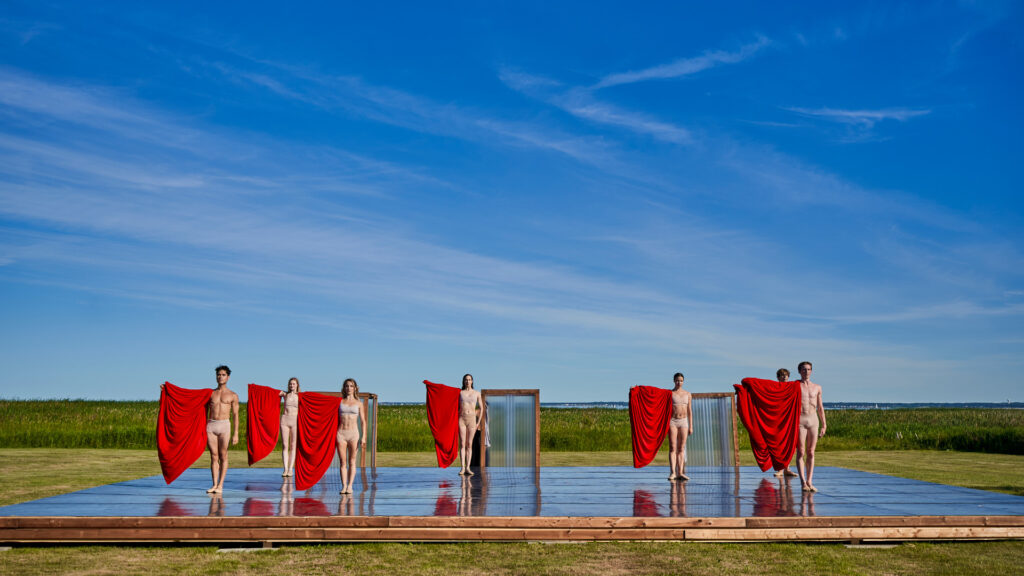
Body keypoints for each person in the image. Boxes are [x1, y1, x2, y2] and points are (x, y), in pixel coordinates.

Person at [205, 365, 239, 493]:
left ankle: (220, 485)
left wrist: (236, 434)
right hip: (211, 425)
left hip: (225, 425)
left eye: (223, 375)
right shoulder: (211, 393)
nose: (220, 377)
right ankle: (214, 484)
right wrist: (168, 390)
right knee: (214, 456)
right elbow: (192, 399)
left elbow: (235, 415)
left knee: (223, 455)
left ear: (228, 377)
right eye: (218, 375)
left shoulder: (233, 395)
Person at [795, 361, 826, 492]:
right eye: (803, 369)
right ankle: (802, 481)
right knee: (801, 452)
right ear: (799, 371)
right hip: (800, 420)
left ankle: (810, 480)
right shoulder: (795, 386)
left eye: (808, 369)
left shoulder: (817, 387)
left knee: (811, 452)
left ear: (811, 371)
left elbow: (820, 407)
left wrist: (824, 424)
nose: (806, 372)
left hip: (813, 420)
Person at [336, 378, 367, 494]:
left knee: (352, 461)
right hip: (341, 434)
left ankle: (350, 486)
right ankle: (344, 486)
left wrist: (364, 437)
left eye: (351, 386)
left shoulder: (359, 403)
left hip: (354, 434)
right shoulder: (340, 402)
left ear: (355, 388)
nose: (349, 388)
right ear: (344, 388)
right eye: (347, 386)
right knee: (342, 462)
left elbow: (363, 421)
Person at [667, 372, 693, 481]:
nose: (679, 382)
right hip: (673, 421)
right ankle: (673, 472)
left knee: (681, 448)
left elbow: (689, 411)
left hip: (684, 421)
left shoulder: (687, 394)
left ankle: (680, 472)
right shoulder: (670, 393)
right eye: (677, 380)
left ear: (683, 381)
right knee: (673, 447)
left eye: (681, 381)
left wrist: (691, 426)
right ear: (674, 381)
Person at [773, 368, 798, 478]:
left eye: (786, 375)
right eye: (782, 375)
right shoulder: (774, 387)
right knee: (779, 445)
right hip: (778, 419)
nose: (784, 377)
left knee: (789, 444)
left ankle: (787, 469)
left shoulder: (792, 387)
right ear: (778, 377)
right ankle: (780, 470)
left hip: (790, 419)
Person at [458, 373, 482, 476]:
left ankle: (468, 467)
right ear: (464, 381)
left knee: (469, 444)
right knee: (462, 444)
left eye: (469, 379)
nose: (468, 381)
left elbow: (481, 408)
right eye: (466, 380)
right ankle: (462, 468)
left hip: (472, 419)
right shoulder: (460, 393)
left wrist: (478, 422)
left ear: (472, 381)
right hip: (462, 419)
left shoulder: (477, 393)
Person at [279, 377, 300, 478]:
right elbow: (273, 394)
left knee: (293, 445)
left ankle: (291, 469)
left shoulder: (300, 396)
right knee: (285, 445)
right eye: (290, 384)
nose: (292, 385)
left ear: (297, 385)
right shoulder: (285, 394)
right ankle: (285, 469)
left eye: (294, 384)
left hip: (295, 421)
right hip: (284, 420)